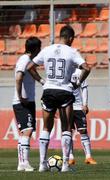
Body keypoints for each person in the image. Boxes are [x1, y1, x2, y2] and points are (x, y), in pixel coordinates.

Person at [27, 25, 91, 172]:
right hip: (64, 91)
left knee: (46, 128)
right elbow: (87, 68)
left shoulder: (47, 50)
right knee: (66, 128)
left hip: (48, 90)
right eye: (72, 39)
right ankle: (65, 165)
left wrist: (42, 81)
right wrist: (78, 83)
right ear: (70, 38)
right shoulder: (72, 51)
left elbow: (30, 66)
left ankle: (42, 164)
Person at [13, 37, 41, 172]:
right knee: (28, 131)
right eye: (39, 48)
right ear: (36, 49)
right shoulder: (24, 60)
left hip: (27, 101)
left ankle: (21, 163)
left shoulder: (27, 61)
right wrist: (20, 96)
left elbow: (32, 72)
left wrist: (42, 81)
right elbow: (18, 77)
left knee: (25, 131)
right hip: (23, 101)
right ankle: (25, 163)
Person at [68, 68, 97, 165]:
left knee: (83, 131)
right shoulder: (63, 71)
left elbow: (84, 88)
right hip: (66, 106)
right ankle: (70, 157)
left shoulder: (79, 72)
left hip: (78, 106)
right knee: (68, 132)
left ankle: (88, 157)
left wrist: (85, 104)